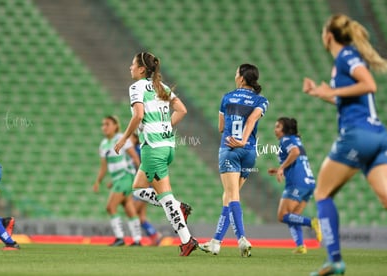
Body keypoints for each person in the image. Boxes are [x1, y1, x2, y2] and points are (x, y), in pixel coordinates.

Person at [303, 14, 387, 275]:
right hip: (378, 136)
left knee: (322, 193)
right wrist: (323, 94)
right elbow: (350, 98)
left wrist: (331, 91)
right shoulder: (344, 61)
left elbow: (369, 84)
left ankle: (335, 260)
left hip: (357, 135)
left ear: (328, 36)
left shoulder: (345, 57)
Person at [114, 52, 197, 256]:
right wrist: (165, 126)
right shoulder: (162, 87)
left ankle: (187, 240)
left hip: (152, 148)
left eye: (133, 64)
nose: (130, 68)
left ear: (142, 69)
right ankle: (178, 207)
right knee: (137, 189)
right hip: (167, 145)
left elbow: (139, 115)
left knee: (164, 196)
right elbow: (182, 110)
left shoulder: (136, 87)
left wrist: (124, 137)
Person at [200, 63, 269, 257]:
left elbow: (221, 127)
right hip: (248, 153)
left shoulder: (227, 97)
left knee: (232, 196)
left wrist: (238, 139)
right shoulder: (261, 100)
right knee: (228, 196)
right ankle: (216, 242)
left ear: (241, 78)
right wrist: (245, 140)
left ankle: (241, 239)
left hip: (230, 149)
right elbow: (252, 120)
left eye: (236, 72)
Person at [267, 117, 321, 254]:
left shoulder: (286, 140)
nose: (275, 129)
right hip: (308, 183)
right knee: (294, 216)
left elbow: (295, 153)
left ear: (285, 129)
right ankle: (301, 246)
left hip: (297, 183)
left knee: (282, 216)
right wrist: (280, 169)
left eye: (278, 126)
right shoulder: (296, 140)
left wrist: (281, 168)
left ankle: (312, 222)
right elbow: (296, 160)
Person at [93, 116, 142, 246]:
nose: (104, 127)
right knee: (128, 207)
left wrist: (140, 176)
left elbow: (135, 157)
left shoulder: (122, 138)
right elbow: (104, 166)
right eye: (103, 124)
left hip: (126, 177)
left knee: (110, 207)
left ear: (115, 126)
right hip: (118, 179)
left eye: (107, 124)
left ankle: (120, 238)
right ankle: (137, 239)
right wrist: (99, 181)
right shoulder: (103, 144)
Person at [130, 133, 163, 246]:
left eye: (131, 138)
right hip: (143, 184)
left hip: (144, 186)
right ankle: (154, 236)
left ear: (135, 139)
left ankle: (138, 239)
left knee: (132, 211)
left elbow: (145, 165)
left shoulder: (138, 150)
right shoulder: (133, 150)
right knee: (141, 217)